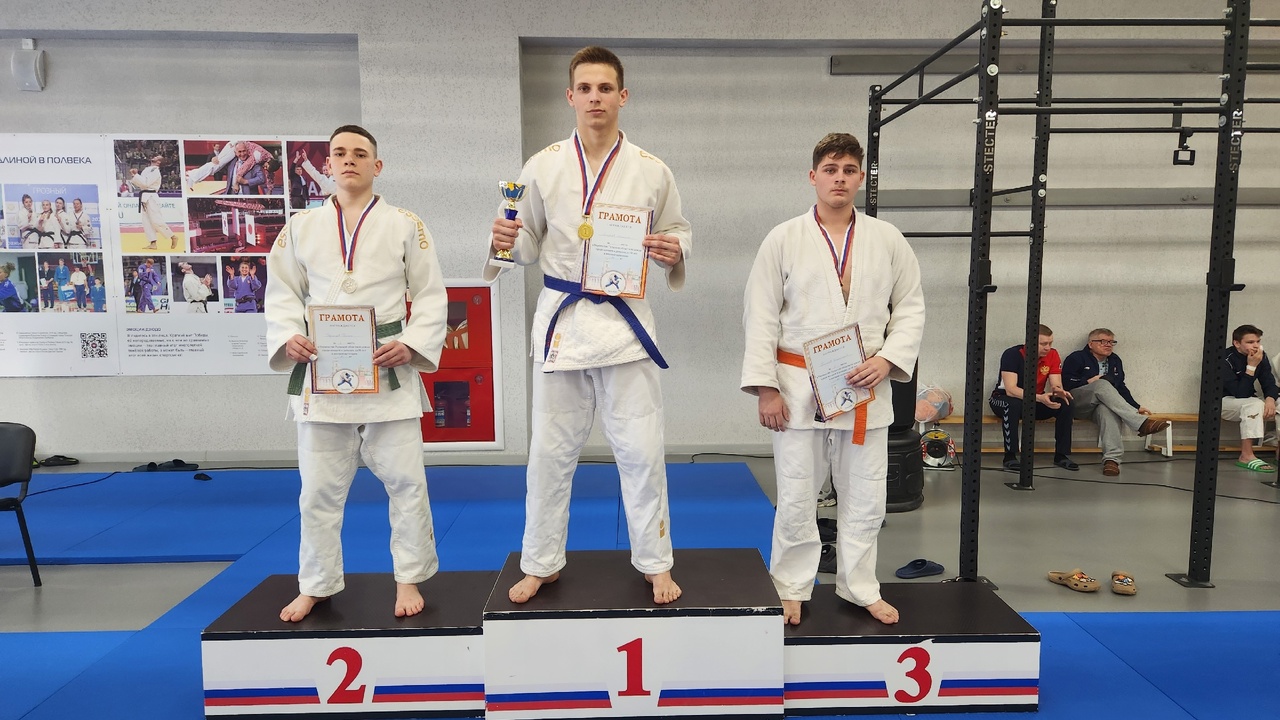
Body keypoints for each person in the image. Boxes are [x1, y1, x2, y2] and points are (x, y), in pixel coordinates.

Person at [485, 46, 690, 606]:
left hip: (625, 326)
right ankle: (540, 562)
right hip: (564, 325)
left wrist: (674, 250)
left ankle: (655, 562)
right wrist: (505, 242)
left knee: (642, 452)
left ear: (623, 96)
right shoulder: (542, 165)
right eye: (585, 88)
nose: (595, 97)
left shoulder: (651, 169)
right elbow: (526, 242)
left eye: (605, 88)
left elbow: (677, 230)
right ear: (570, 96)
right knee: (550, 456)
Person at [265, 124, 449, 622]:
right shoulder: (300, 226)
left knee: (407, 482)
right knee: (317, 491)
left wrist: (411, 343)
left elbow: (431, 293)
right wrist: (288, 336)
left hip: (385, 363)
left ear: (377, 165)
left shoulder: (406, 224)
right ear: (327, 164)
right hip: (323, 368)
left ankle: (408, 576)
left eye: (360, 154)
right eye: (340, 153)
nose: (349, 160)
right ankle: (316, 584)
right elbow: (281, 292)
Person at [741, 132, 924, 626]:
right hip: (798, 387)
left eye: (848, 170)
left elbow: (910, 307)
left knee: (866, 495)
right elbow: (760, 315)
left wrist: (888, 360)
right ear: (813, 176)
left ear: (860, 178)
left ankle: (860, 586)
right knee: (797, 492)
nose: (839, 178)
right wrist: (765, 388)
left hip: (865, 385)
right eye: (830, 169)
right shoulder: (783, 238)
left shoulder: (887, 239)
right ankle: (790, 585)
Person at [1062, 329, 1170, 476]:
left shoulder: (1115, 360)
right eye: (1103, 341)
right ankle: (1141, 424)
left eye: (1111, 342)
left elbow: (1120, 387)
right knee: (1102, 384)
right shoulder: (1076, 358)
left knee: (1107, 410)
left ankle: (1112, 460)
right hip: (1077, 403)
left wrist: (1136, 406)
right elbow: (1066, 384)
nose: (1108, 345)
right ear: (1091, 344)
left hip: (1098, 406)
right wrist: (1089, 381)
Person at [989, 325, 1077, 471]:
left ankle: (1061, 455)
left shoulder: (1053, 354)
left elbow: (1056, 384)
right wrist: (1040, 398)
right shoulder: (1012, 354)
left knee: (1066, 403)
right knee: (1013, 404)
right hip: (1003, 398)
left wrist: (1058, 391)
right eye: (1043, 344)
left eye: (1050, 343)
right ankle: (1010, 456)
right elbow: (1011, 390)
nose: (1048, 347)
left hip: (1035, 399)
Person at [1222, 324, 1278, 473]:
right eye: (1250, 342)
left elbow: (1269, 382)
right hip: (1224, 402)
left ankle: (1278, 454)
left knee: (1270, 402)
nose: (1256, 346)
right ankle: (1246, 455)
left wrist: (1270, 399)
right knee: (1254, 404)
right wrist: (1251, 367)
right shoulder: (1224, 359)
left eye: (1258, 341)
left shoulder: (1260, 355)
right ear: (1237, 343)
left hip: (1247, 399)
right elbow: (1239, 393)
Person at [127, 155, 177, 249]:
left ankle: (172, 236)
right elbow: (141, 184)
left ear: (158, 162)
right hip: (145, 196)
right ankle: (153, 243)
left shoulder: (155, 171)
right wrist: (135, 175)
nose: (154, 156)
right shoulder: (147, 169)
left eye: (157, 157)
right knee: (146, 221)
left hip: (151, 197)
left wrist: (136, 175)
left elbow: (145, 183)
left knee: (156, 220)